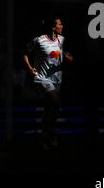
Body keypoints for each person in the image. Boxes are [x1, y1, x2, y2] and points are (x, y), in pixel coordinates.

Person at [23, 16, 73, 150]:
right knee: (56, 103)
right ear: (53, 27)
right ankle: (50, 134)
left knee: (49, 109)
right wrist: (29, 68)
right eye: (60, 24)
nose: (62, 26)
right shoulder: (39, 40)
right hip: (42, 78)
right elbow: (25, 53)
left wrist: (68, 57)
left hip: (57, 79)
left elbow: (63, 54)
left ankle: (44, 136)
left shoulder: (61, 39)